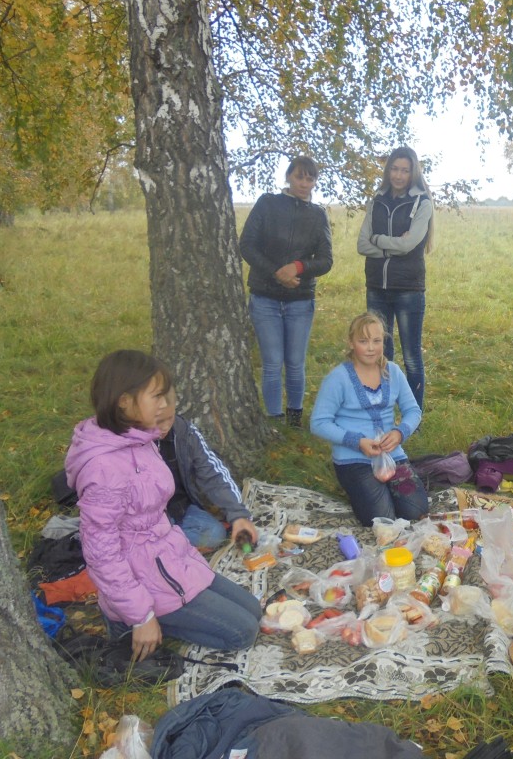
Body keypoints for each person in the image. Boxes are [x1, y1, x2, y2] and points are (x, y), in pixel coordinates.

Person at [65, 350, 261, 660]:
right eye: (156, 396)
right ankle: (127, 624)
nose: (164, 405)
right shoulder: (104, 469)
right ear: (124, 401)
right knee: (243, 632)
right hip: (142, 583)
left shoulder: (139, 438)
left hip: (168, 559)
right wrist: (140, 615)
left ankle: (163, 614)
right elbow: (102, 555)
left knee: (254, 610)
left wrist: (236, 515)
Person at [240, 156, 333, 427]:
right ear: (288, 176)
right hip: (264, 296)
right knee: (272, 362)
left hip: (300, 300)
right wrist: (276, 272)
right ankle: (274, 419)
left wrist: (298, 267)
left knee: (295, 362)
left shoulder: (318, 215)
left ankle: (294, 419)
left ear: (315, 182)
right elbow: (247, 245)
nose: (304, 183)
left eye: (310, 179)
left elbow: (326, 260)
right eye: (299, 177)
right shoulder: (267, 204)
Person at [310, 312, 428, 526]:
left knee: (416, 510)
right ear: (351, 343)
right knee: (381, 518)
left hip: (392, 455)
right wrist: (357, 441)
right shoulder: (338, 378)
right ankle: (364, 490)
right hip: (354, 460)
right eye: (363, 341)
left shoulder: (393, 372)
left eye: (377, 341)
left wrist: (400, 432)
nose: (371, 348)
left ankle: (386, 488)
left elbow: (413, 410)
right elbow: (319, 423)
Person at [356, 146, 434, 409]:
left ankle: (414, 416)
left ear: (413, 173)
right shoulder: (376, 201)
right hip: (376, 287)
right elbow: (361, 244)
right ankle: (383, 411)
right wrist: (392, 245)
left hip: (408, 289)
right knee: (379, 353)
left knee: (411, 357)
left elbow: (409, 244)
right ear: (388, 170)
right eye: (395, 169)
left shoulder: (422, 203)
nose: (399, 175)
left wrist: (378, 240)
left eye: (405, 170)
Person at [155, 386, 253, 550]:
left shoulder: (183, 432)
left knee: (215, 534)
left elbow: (212, 474)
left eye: (169, 418)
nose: (165, 427)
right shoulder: (135, 444)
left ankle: (168, 544)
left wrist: (238, 515)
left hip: (179, 509)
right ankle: (164, 545)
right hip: (149, 519)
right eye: (158, 421)